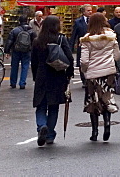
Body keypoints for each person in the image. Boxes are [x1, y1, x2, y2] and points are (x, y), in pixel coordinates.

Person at [30, 15, 73, 147]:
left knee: (41, 105)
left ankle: (41, 126)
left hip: (42, 75)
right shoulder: (61, 39)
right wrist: (69, 74)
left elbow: (34, 61)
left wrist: (35, 76)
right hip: (57, 75)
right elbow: (70, 58)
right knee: (53, 107)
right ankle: (49, 135)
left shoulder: (38, 40)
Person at [80, 12, 120, 142]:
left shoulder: (87, 39)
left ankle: (95, 131)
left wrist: (84, 71)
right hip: (108, 73)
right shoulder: (111, 37)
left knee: (93, 101)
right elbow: (117, 56)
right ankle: (107, 123)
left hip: (92, 74)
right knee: (106, 99)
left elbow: (84, 61)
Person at [5, 15, 36, 89]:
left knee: (14, 66)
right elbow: (35, 42)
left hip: (16, 50)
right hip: (27, 51)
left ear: (19, 21)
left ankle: (13, 83)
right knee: (25, 66)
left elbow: (10, 41)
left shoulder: (15, 30)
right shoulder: (31, 31)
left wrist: (7, 51)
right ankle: (22, 83)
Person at [71, 4, 93, 80]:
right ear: (83, 12)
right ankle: (84, 80)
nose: (90, 12)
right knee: (82, 63)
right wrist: (70, 47)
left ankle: (90, 79)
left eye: (91, 10)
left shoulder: (93, 21)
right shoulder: (78, 22)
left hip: (92, 46)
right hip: (82, 46)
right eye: (88, 10)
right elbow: (74, 35)